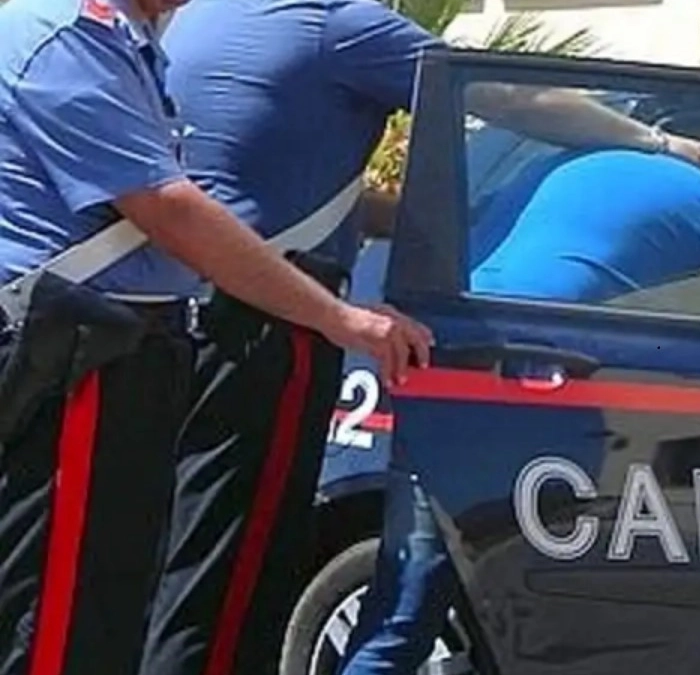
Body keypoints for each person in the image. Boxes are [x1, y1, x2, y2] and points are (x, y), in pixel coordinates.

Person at [139, 3, 700, 675]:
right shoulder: (336, 21)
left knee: (185, 561)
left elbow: (287, 192)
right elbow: (514, 95)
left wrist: (444, 218)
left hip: (183, 311)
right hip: (272, 322)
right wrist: (666, 145)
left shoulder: (203, 18)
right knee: (243, 570)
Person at [0, 1, 432, 675]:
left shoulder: (138, 36)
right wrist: (341, 317)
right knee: (71, 612)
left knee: (112, 597)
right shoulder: (69, 36)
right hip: (84, 349)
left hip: (131, 346)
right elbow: (166, 204)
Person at [340, 146, 700, 675]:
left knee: (405, 606)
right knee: (561, 609)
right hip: (553, 392)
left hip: (454, 364)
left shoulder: (551, 163)